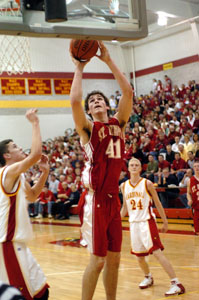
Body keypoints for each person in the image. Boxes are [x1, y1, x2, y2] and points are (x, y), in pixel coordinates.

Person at [69, 41, 133, 300]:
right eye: (92, 101)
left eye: (100, 99)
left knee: (115, 260)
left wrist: (108, 60)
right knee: (98, 261)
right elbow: (74, 100)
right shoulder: (87, 130)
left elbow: (127, 92)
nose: (95, 101)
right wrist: (80, 68)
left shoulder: (120, 122)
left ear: (107, 106)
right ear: (89, 110)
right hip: (95, 201)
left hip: (113, 200)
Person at [0, 109, 49, 300]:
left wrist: (44, 173)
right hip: (8, 244)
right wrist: (35, 122)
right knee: (29, 296)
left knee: (41, 291)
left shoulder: (17, 176)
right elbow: (35, 154)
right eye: (14, 147)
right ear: (6, 156)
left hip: (17, 244)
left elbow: (33, 196)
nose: (20, 148)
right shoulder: (7, 173)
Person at [120, 158, 185, 297]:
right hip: (134, 224)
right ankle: (148, 276)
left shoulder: (147, 183)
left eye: (136, 165)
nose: (134, 167)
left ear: (140, 169)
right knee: (139, 256)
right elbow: (125, 207)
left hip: (147, 222)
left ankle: (176, 283)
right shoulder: (123, 186)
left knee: (157, 253)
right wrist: (116, 222)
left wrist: (165, 221)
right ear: (128, 168)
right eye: (131, 165)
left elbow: (158, 203)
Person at [187, 161, 199, 235]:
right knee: (197, 232)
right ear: (193, 168)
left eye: (198, 166)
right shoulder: (190, 181)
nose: (197, 167)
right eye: (195, 166)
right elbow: (188, 193)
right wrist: (190, 199)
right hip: (196, 206)